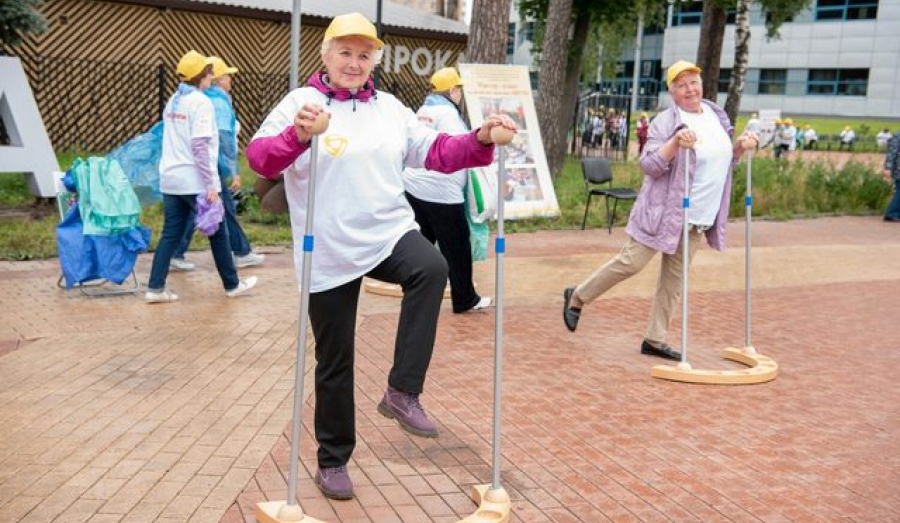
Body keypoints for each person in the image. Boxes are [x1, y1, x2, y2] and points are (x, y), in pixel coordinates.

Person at [245, 12, 516, 501]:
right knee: (335, 358)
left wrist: (479, 139)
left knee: (432, 268)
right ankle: (332, 460)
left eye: (364, 54)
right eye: (345, 52)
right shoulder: (300, 103)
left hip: (387, 231)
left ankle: (401, 391)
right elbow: (260, 158)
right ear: (326, 55)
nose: (354, 62)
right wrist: (298, 136)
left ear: (374, 60)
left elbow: (437, 151)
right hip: (328, 245)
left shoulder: (390, 109)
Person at [561, 60, 758, 360]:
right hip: (663, 213)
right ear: (672, 91)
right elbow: (649, 165)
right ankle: (577, 296)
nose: (689, 89)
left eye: (693, 82)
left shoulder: (716, 115)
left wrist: (739, 148)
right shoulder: (665, 122)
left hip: (698, 215)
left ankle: (655, 339)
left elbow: (721, 161)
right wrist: (675, 143)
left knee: (674, 281)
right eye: (681, 85)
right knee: (631, 263)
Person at [146, 50, 257, 303]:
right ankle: (232, 284)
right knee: (218, 231)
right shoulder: (201, 102)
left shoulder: (174, 100)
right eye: (209, 73)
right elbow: (199, 146)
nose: (211, 76)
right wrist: (211, 185)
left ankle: (155, 288)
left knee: (170, 234)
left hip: (171, 179)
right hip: (194, 180)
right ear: (202, 76)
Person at [403, 67, 492, 314]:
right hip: (442, 192)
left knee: (421, 244)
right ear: (453, 90)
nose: (460, 95)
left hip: (414, 187)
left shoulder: (423, 111)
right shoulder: (449, 115)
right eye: (459, 90)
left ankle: (414, 291)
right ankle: (465, 299)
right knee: (457, 247)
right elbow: (461, 148)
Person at [170, 56, 266, 272]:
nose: (230, 80)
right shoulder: (218, 103)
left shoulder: (196, 98)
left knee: (195, 209)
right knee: (223, 209)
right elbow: (224, 138)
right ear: (219, 79)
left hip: (196, 164)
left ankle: (176, 252)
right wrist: (233, 169)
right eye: (227, 76)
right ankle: (240, 254)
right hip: (215, 165)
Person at [883, 131, 900, 222]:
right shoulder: (898, 137)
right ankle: (891, 213)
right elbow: (891, 153)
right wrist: (887, 167)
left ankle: (896, 213)